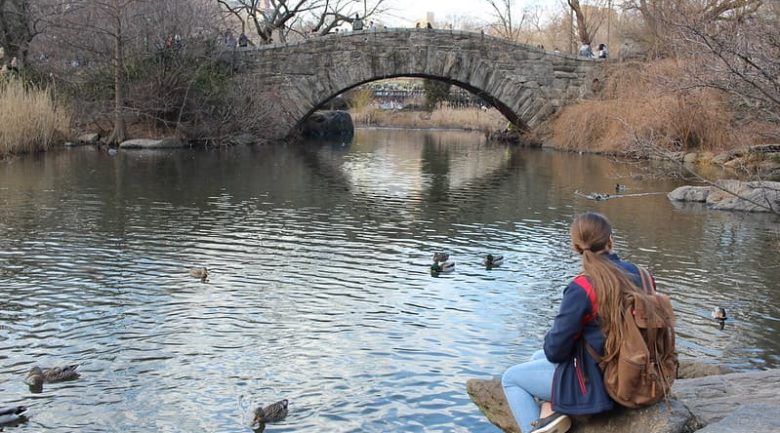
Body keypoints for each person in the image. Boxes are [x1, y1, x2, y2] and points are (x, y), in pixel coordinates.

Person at [502, 212, 654, 433]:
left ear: (576, 247)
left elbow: (556, 351)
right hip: (640, 372)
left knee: (511, 378)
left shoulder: (583, 287)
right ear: (610, 240)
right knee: (536, 358)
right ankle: (550, 410)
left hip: (604, 384)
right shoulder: (644, 276)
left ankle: (541, 421)